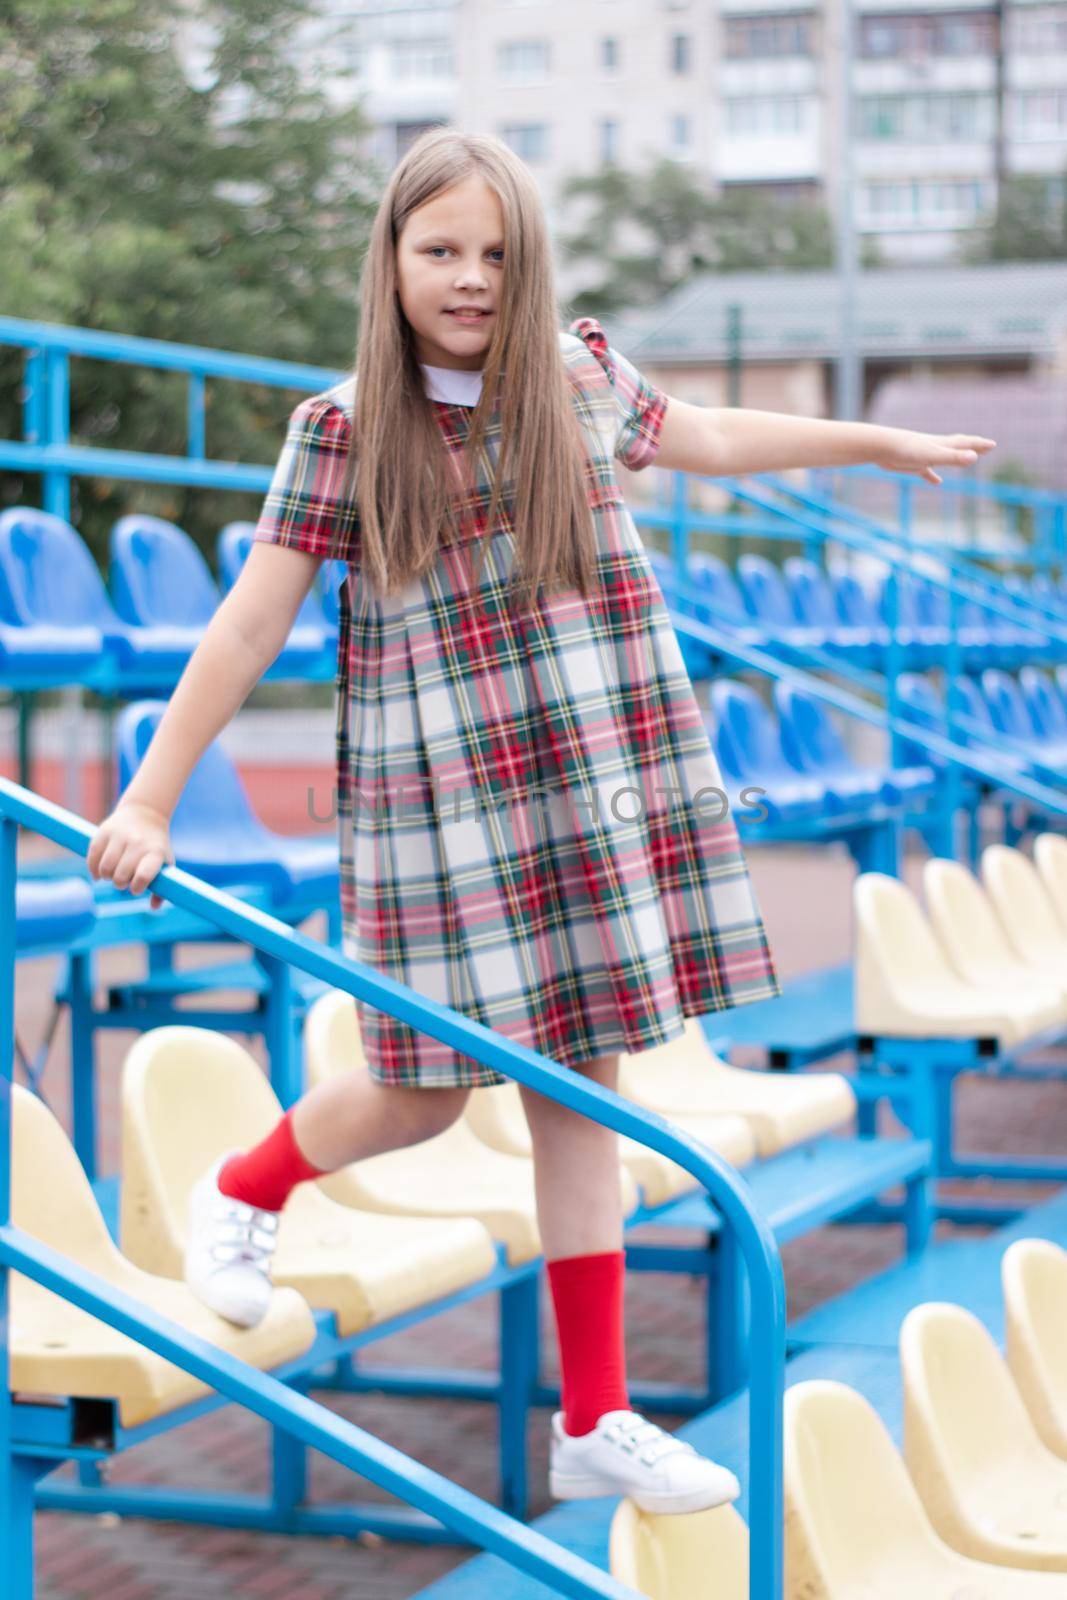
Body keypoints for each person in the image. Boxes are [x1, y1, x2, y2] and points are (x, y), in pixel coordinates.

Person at [87, 128, 995, 1516]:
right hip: (442, 802)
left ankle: (595, 1413)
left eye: (496, 254)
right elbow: (251, 617)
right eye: (440, 250)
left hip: (592, 777)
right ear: (389, 260)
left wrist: (877, 439)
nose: (469, 278)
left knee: (586, 1094)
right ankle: (250, 1184)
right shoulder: (340, 431)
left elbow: (714, 437)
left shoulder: (575, 377)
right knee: (423, 1085)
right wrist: (150, 794)